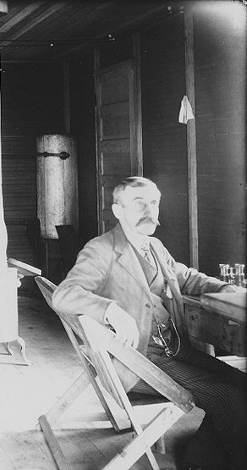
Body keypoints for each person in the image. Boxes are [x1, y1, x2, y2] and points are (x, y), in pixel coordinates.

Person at [52, 176, 246, 470]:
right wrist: (109, 310)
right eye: (138, 203)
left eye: (153, 202)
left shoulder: (153, 246)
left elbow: (185, 276)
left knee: (241, 385)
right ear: (118, 210)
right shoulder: (102, 249)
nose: (148, 210)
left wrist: (228, 290)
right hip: (140, 363)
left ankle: (200, 459)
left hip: (174, 351)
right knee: (230, 397)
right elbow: (64, 294)